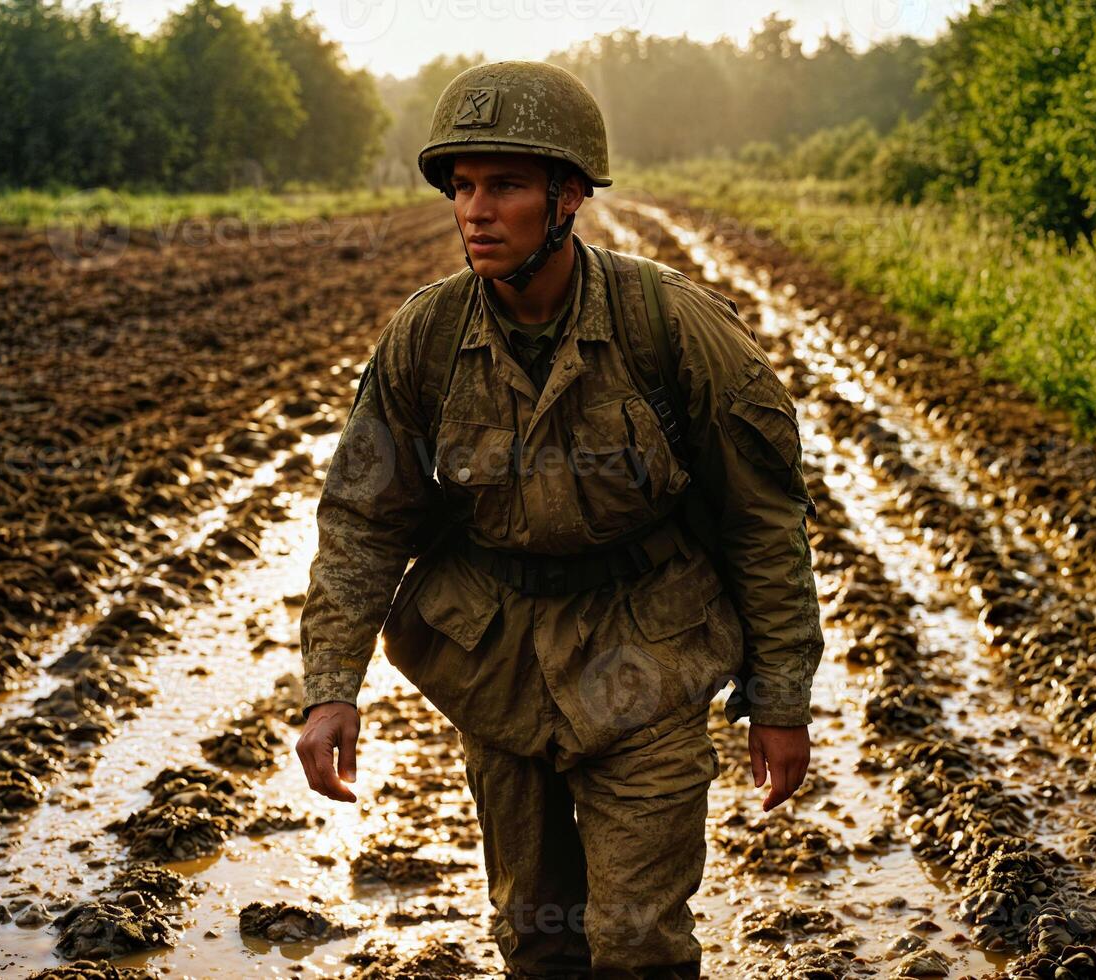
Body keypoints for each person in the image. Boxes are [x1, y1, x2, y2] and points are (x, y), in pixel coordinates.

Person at [294, 60, 823, 979]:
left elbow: (761, 520)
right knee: (536, 940)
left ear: (569, 195)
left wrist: (777, 700)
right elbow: (363, 517)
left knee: (637, 943)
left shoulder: (672, 326)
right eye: (462, 187)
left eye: (505, 185)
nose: (476, 211)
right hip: (497, 668)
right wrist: (331, 684)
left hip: (647, 658)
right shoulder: (424, 338)